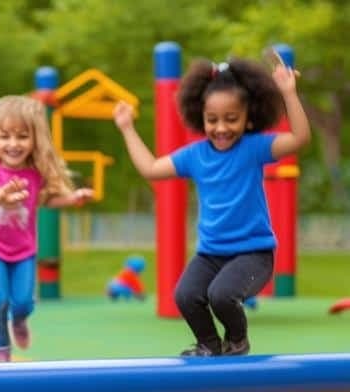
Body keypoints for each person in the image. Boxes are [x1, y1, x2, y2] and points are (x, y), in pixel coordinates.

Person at [113, 55, 310, 356]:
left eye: (231, 119)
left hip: (253, 254)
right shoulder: (195, 155)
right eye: (212, 119)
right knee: (185, 295)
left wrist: (289, 93)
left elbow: (299, 138)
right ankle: (208, 344)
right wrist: (127, 128)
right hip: (211, 254)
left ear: (248, 117)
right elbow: (152, 168)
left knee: (221, 295)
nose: (221, 128)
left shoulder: (254, 148)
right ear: (200, 116)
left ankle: (237, 341)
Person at [0, 95, 93, 363]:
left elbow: (45, 199)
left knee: (23, 302)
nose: (12, 144)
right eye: (5, 136)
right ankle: (2, 349)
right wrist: (1, 196)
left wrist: (72, 198)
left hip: (23, 251)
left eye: (22, 136)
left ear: (35, 139)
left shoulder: (35, 172)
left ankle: (19, 320)